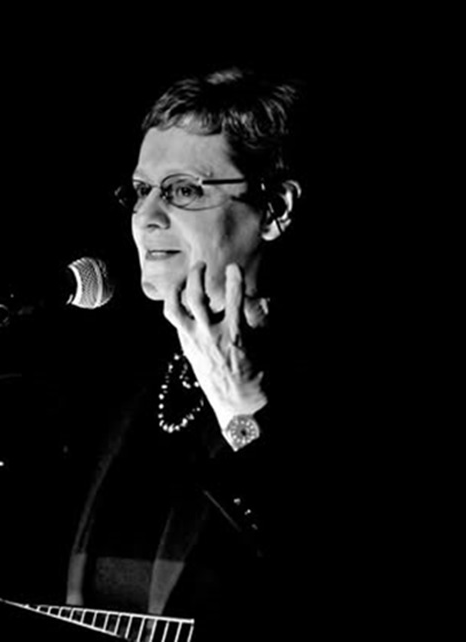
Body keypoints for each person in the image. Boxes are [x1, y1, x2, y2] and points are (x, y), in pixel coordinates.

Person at [59, 66, 323, 639]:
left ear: (275, 208)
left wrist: (242, 408)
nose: (147, 217)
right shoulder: (118, 375)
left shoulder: (322, 373)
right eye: (141, 191)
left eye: (183, 190)